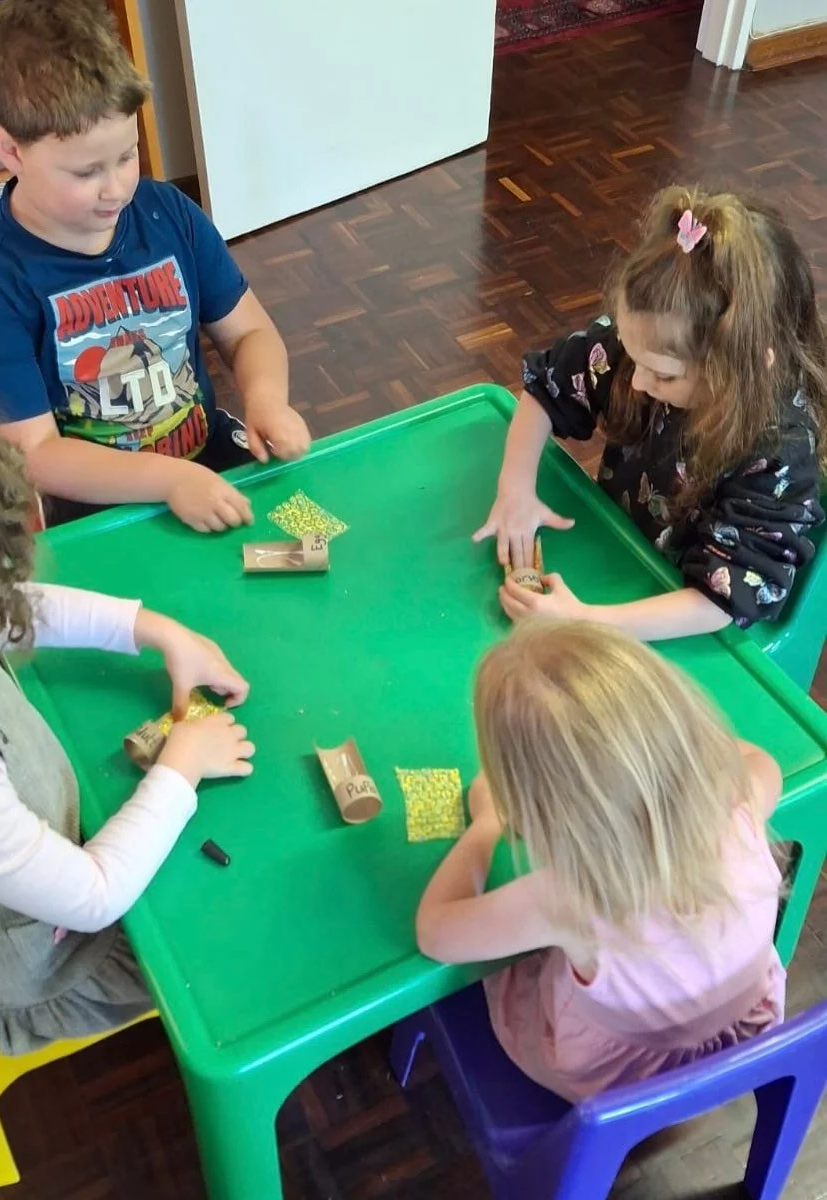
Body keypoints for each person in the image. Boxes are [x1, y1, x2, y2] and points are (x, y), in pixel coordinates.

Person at [0, 388, 255, 1053]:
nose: (7, 601)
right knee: (233, 940)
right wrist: (180, 766)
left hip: (48, 854)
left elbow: (17, 604)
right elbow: (97, 896)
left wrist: (154, 630)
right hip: (57, 966)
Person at [0, 0, 310, 531]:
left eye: (126, 155)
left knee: (317, 536)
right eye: (86, 171)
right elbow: (37, 453)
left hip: (204, 458)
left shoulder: (169, 213)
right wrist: (166, 480)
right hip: (96, 506)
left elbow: (249, 331)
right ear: (9, 149)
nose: (116, 188)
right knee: (178, 605)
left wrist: (266, 400)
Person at [416, 618, 785, 1101]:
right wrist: (679, 753)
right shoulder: (739, 803)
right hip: (747, 1035)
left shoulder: (566, 898)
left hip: (619, 1081)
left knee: (505, 969)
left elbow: (435, 934)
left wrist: (487, 822)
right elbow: (763, 762)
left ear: (538, 810)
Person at [475, 186, 826, 639]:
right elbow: (546, 388)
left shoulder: (779, 449)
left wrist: (583, 620)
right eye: (633, 356)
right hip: (622, 556)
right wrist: (516, 487)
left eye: (663, 376)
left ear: (746, 366)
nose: (638, 381)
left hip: (691, 629)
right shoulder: (649, 345)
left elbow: (722, 598)